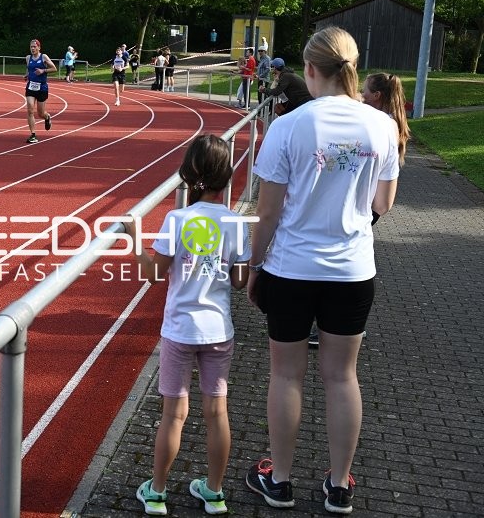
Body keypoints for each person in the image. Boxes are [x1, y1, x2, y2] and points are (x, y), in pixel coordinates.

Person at [244, 26, 400, 515]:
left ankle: (282, 481)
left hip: (291, 268)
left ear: (310, 70)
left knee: (286, 375)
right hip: (353, 270)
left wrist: (253, 267)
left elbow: (267, 214)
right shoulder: (381, 126)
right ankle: (338, 486)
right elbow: (385, 203)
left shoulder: (289, 126)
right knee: (341, 376)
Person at [126, 134, 250, 516]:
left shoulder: (176, 219)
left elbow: (153, 274)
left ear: (189, 174)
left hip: (180, 330)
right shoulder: (234, 222)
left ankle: (157, 492)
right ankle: (214, 492)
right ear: (225, 176)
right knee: (217, 412)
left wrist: (134, 241)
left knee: (173, 415)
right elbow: (241, 281)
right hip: (218, 330)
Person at [361, 73, 411, 166]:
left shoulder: (383, 124)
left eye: (363, 91)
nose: (361, 95)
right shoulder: (390, 120)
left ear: (376, 95)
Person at [24, 38, 56, 144]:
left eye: (34, 46)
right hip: (30, 87)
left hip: (42, 88)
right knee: (29, 110)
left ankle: (47, 117)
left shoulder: (44, 57)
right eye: (31, 47)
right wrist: (27, 75)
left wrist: (43, 70)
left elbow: (54, 68)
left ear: (39, 47)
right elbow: (29, 69)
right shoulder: (28, 58)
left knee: (40, 113)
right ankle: (33, 135)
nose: (32, 48)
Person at [255, 38, 271, 105]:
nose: (260, 52)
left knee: (261, 96)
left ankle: (263, 110)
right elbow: (260, 68)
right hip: (260, 79)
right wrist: (256, 74)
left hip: (264, 80)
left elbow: (268, 69)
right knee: (260, 95)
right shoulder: (261, 58)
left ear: (265, 52)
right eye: (259, 51)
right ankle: (262, 109)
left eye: (261, 51)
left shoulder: (267, 59)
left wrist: (260, 76)